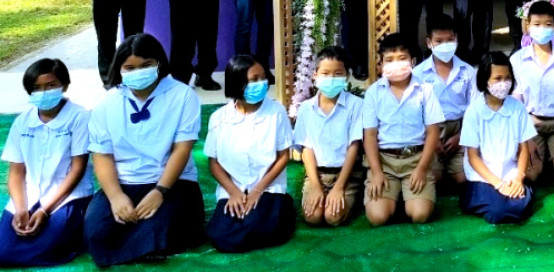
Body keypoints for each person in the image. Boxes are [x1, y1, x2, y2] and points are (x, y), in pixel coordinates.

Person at [84, 33, 205, 267]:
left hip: (172, 182)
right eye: (130, 68)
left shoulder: (182, 95)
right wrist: (115, 196)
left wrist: (160, 191)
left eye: (146, 65)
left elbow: (182, 149)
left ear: (159, 63)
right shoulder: (107, 102)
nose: (138, 72)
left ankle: (151, 241)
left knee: (158, 230)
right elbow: (102, 155)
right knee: (95, 232)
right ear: (119, 68)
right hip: (125, 182)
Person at [0, 58, 92, 267]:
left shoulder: (80, 117)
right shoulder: (22, 122)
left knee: (50, 249)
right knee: (2, 252)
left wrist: (44, 210)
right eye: (37, 88)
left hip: (67, 196)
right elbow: (16, 173)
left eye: (51, 85)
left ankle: (73, 235)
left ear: (64, 85)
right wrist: (21, 208)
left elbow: (77, 168)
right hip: (29, 195)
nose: (44, 92)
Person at [204, 55, 294, 253]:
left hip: (267, 187)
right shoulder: (219, 118)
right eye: (254, 79)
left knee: (262, 225)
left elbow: (283, 157)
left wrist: (257, 191)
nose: (261, 83)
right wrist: (234, 192)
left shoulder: (276, 112)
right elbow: (214, 163)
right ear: (237, 83)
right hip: (234, 188)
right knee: (221, 235)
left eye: (263, 77)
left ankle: (281, 208)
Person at [363, 33, 444, 226]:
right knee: (377, 217)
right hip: (385, 161)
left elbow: (433, 132)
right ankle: (394, 198)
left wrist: (422, 169)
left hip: (416, 160)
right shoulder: (373, 93)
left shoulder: (425, 90)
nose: (396, 64)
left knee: (420, 215)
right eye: (389, 60)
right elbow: (370, 136)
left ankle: (408, 198)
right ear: (381, 64)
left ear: (412, 61)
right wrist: (377, 172)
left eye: (402, 58)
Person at [459, 52, 537, 224]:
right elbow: (473, 157)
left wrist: (519, 178)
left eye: (507, 78)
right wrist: (498, 184)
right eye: (497, 78)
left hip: (510, 172)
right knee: (498, 211)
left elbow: (524, 149)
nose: (504, 83)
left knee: (515, 204)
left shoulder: (517, 108)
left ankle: (515, 195)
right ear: (484, 80)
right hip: (483, 177)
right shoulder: (474, 111)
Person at [293, 46, 364, 227]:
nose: (331, 79)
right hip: (317, 174)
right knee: (313, 217)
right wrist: (316, 186)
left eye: (338, 74)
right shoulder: (306, 108)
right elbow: (307, 149)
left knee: (333, 217)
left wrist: (339, 187)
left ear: (347, 76)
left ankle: (354, 196)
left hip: (346, 175)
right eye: (325, 73)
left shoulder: (356, 105)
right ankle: (319, 191)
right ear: (315, 75)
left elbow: (354, 147)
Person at [510, 0, 554, 183]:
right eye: (537, 24)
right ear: (528, 26)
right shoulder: (517, 60)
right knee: (530, 174)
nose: (542, 29)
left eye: (548, 24)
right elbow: (515, 103)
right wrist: (526, 138)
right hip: (531, 125)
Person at [413, 15, 476, 186]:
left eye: (450, 40)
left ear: (456, 40)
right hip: (431, 130)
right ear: (429, 43)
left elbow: (475, 109)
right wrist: (431, 139)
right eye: (439, 41)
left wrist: (461, 137)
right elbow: (414, 111)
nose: (445, 45)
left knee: (463, 177)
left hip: (460, 129)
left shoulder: (468, 71)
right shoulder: (418, 74)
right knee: (433, 177)